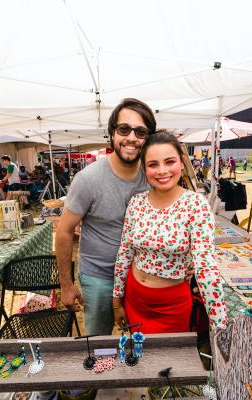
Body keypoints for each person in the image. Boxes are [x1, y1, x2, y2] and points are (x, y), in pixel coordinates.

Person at [57, 98, 156, 336]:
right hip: (99, 277)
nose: (131, 138)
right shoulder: (88, 179)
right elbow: (64, 230)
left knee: (139, 340)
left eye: (140, 131)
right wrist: (66, 285)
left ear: (148, 137)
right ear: (112, 133)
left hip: (140, 277)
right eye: (124, 129)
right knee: (98, 342)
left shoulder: (154, 176)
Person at [112, 132, 227, 333]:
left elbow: (206, 266)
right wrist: (117, 301)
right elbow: (125, 253)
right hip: (134, 298)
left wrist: (219, 325)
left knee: (169, 360)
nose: (162, 171)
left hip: (172, 307)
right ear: (144, 168)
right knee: (138, 358)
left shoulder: (196, 204)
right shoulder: (137, 202)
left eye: (169, 162)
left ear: (182, 163)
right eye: (153, 164)